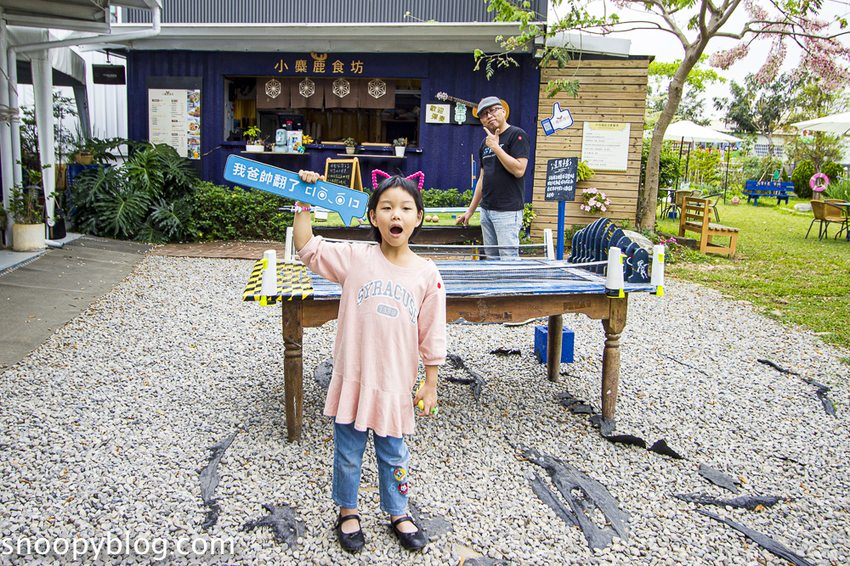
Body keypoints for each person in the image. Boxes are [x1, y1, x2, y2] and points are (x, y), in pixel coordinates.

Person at [293, 170, 447, 553]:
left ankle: (398, 511)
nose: (396, 214)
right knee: (347, 454)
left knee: (394, 453)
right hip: (353, 380)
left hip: (395, 385)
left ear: (419, 217)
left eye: (405, 208)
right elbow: (308, 247)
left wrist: (430, 382)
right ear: (373, 216)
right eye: (387, 207)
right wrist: (303, 200)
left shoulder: (428, 274)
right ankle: (348, 511)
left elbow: (432, 333)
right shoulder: (355, 259)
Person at [455, 96, 530, 259]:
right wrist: (470, 210)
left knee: (508, 259)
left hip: (508, 211)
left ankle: (510, 285)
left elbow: (519, 170)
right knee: (492, 258)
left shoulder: (517, 135)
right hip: (487, 210)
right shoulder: (485, 143)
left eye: (493, 110)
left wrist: (496, 148)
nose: (489, 116)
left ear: (503, 111)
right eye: (483, 114)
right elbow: (482, 178)